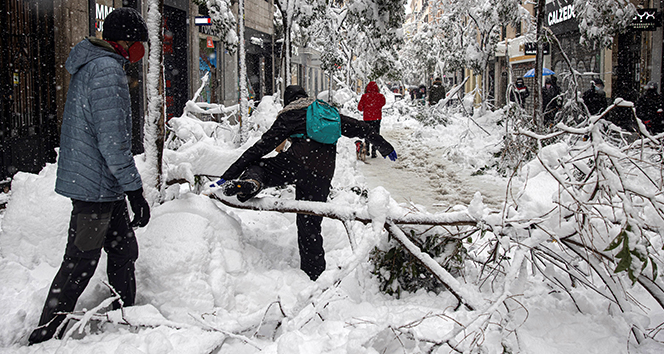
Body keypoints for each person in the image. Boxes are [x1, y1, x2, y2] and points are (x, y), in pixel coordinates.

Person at [28, 7, 151, 345]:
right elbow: (112, 142)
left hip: (103, 185)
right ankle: (45, 332)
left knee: (124, 251)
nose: (141, 51)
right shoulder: (107, 71)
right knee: (81, 260)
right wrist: (135, 191)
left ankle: (125, 316)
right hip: (96, 186)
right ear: (124, 42)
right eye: (139, 43)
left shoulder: (99, 66)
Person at [210, 85, 397, 281]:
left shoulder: (290, 114)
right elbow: (361, 127)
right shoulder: (326, 111)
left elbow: (261, 147)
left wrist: (229, 174)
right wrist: (384, 146)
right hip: (323, 171)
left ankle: (253, 182)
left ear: (287, 100)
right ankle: (314, 277)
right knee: (310, 224)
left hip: (296, 163)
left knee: (260, 165)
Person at [357, 81, 386, 158]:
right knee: (376, 134)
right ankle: (374, 151)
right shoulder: (381, 96)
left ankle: (367, 149)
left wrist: (366, 108)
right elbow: (383, 103)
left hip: (367, 118)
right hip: (377, 118)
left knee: (367, 133)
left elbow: (360, 108)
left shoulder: (364, 97)